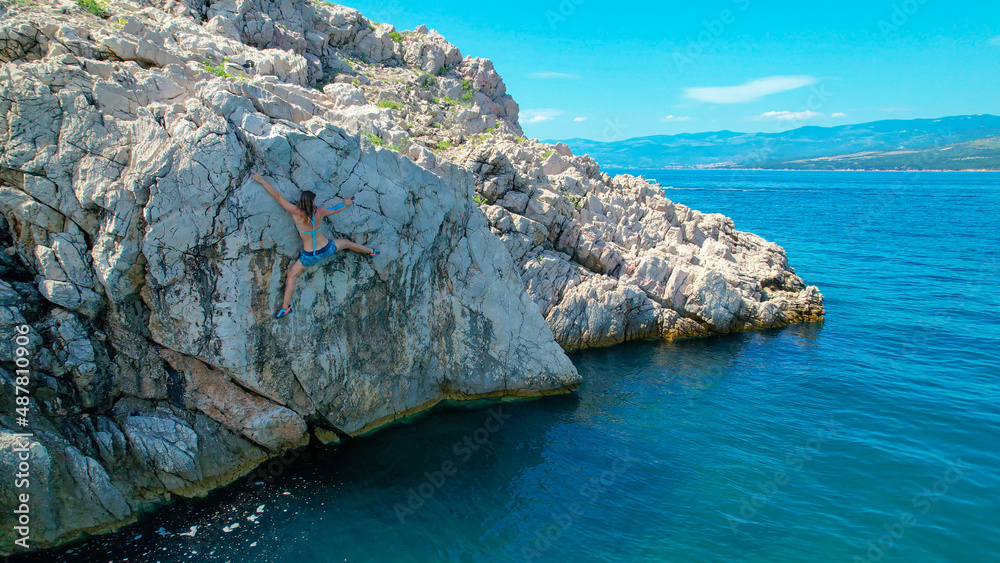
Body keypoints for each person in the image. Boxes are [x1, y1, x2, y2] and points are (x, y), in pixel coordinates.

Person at [252, 173, 379, 319]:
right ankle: (371, 251)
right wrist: (346, 203)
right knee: (347, 243)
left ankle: (285, 308)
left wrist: (262, 181)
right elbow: (336, 209)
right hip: (327, 249)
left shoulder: (296, 212)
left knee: (292, 276)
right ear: (312, 202)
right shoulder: (319, 212)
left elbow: (278, 197)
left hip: (310, 256)